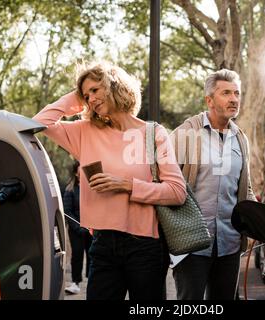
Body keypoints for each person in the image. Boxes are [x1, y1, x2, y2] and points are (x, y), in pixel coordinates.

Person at [33, 60, 186, 300]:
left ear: (114, 85)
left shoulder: (153, 133)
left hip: (145, 247)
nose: (90, 99)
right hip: (103, 245)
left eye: (95, 90)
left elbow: (177, 191)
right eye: (86, 95)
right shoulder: (83, 131)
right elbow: (40, 123)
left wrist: (126, 185)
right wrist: (75, 98)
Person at [170, 69, 257, 300]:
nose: (234, 99)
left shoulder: (241, 139)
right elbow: (164, 183)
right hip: (191, 245)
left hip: (229, 244)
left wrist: (263, 220)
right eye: (226, 93)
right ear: (209, 100)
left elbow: (245, 188)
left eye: (237, 93)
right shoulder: (185, 134)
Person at [63, 161, 93, 295]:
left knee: (93, 254)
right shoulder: (70, 190)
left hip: (92, 229)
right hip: (76, 231)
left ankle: (93, 280)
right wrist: (78, 227)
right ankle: (75, 283)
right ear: (76, 172)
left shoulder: (93, 189)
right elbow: (67, 211)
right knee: (77, 254)